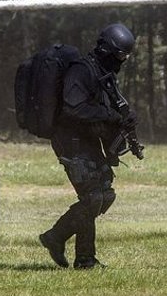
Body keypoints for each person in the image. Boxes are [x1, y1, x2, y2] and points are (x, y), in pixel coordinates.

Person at [38, 23, 138, 269]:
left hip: (88, 141)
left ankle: (72, 249)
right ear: (106, 50)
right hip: (71, 141)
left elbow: (104, 108)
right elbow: (75, 108)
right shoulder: (81, 71)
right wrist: (110, 116)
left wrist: (123, 118)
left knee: (104, 195)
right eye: (120, 55)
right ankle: (68, 246)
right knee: (93, 197)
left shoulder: (103, 73)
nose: (122, 61)